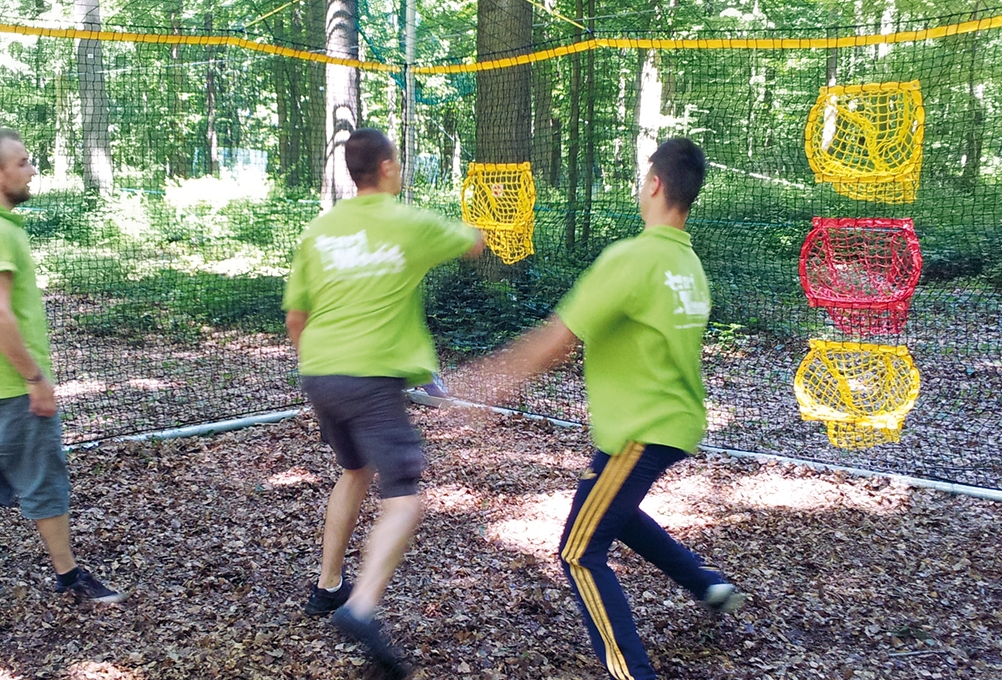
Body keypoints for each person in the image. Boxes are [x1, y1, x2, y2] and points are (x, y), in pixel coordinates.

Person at [464, 138, 745, 680]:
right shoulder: (688, 265)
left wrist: (489, 383)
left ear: (656, 184)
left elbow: (557, 337)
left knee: (577, 549)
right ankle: (707, 584)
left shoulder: (634, 258)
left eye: (645, 179)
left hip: (640, 429)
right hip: (674, 422)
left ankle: (631, 672)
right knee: (615, 512)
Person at [284, 128, 485, 677]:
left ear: (353, 171)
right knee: (405, 498)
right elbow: (473, 243)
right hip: (371, 379)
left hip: (319, 372)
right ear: (389, 168)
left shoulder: (319, 231)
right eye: (399, 161)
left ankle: (328, 588)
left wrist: (320, 371)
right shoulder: (409, 222)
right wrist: (486, 225)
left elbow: (295, 319)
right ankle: (362, 607)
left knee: (354, 471)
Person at [0, 128, 123, 605]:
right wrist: (34, 378)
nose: (31, 169)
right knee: (44, 477)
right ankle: (70, 577)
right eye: (22, 162)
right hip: (9, 385)